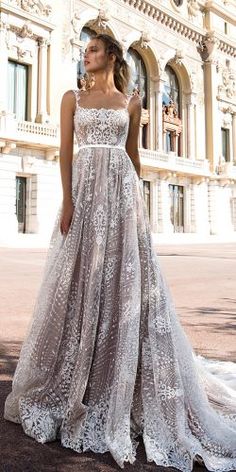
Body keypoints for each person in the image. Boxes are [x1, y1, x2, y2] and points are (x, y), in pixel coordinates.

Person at [4, 33, 236, 472]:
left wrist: (141, 212)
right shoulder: (72, 97)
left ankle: (118, 375)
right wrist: (68, 202)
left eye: (92, 49)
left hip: (122, 201)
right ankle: (79, 377)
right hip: (86, 199)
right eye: (84, 50)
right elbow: (65, 156)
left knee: (123, 286)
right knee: (77, 282)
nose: (85, 55)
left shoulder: (132, 102)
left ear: (111, 55)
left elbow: (133, 160)